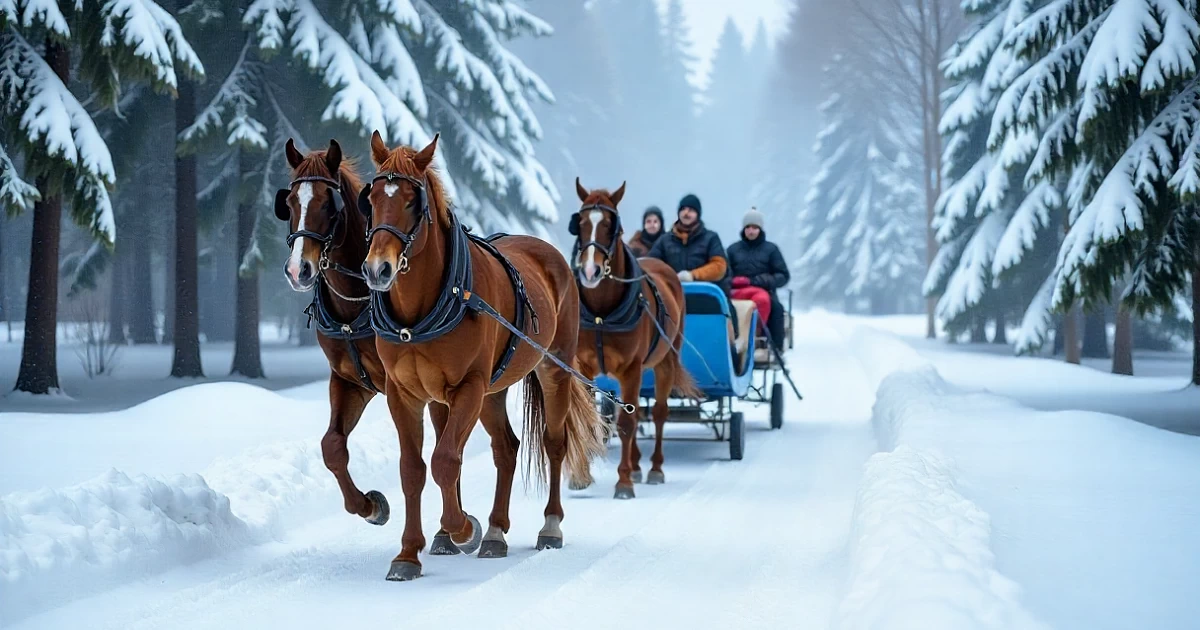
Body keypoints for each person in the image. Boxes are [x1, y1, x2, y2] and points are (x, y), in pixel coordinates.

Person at [727, 207, 790, 352]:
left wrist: (760, 281)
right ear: (743, 229)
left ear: (760, 229)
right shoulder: (732, 250)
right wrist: (734, 281)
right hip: (737, 292)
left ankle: (774, 348)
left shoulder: (771, 250)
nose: (751, 231)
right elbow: (725, 273)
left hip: (765, 292)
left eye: (754, 227)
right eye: (748, 227)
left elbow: (783, 276)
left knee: (777, 310)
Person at [647, 194, 731, 295]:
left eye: (691, 210)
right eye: (683, 209)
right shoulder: (665, 240)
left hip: (705, 295)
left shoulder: (711, 238)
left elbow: (719, 267)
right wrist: (670, 277)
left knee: (729, 309)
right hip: (673, 294)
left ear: (698, 214)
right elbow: (651, 264)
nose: (686, 213)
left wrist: (692, 275)